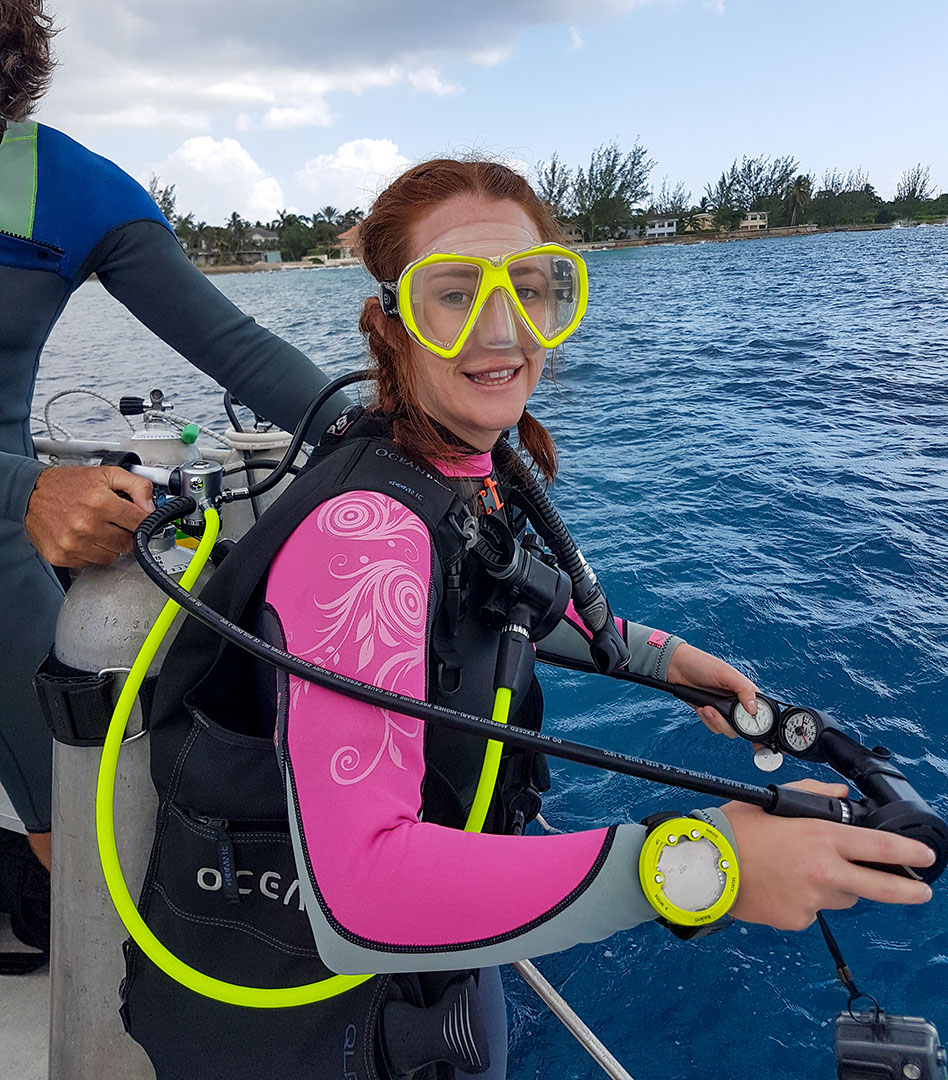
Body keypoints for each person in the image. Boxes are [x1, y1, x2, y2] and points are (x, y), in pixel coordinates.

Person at [127, 158, 933, 1080]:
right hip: (322, 1020)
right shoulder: (364, 532)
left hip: (444, 947)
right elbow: (358, 899)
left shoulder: (445, 467)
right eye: (454, 295)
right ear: (390, 322)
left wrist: (660, 660)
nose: (503, 331)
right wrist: (711, 865)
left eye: (534, 288)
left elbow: (485, 591)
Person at [0, 0, 348, 871]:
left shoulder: (66, 186)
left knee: (86, 820)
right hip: (17, 501)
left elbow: (242, 354)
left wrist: (415, 445)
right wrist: (24, 489)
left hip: (3, 548)